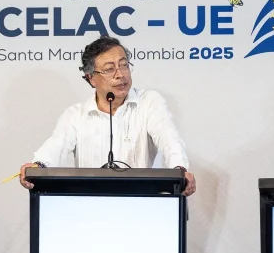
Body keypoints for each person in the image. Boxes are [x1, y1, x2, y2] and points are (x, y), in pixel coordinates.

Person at [19, 35, 196, 196]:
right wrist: (38, 166)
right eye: (110, 69)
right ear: (91, 78)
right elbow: (56, 145)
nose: (120, 75)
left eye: (124, 65)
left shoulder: (149, 102)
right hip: (90, 207)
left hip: (140, 204)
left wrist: (179, 169)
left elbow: (169, 139)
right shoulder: (75, 115)